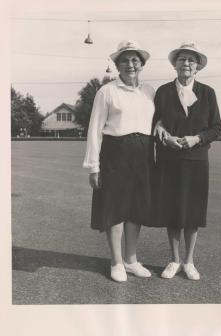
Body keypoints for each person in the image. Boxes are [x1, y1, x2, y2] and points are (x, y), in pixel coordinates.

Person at [83, 40, 155, 283]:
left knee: (136, 209)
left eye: (135, 60)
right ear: (117, 65)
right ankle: (116, 262)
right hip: (115, 153)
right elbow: (94, 130)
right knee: (115, 208)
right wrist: (94, 166)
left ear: (142, 64)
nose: (130, 64)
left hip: (143, 154)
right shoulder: (106, 92)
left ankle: (131, 260)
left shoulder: (149, 91)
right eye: (124, 60)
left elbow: (158, 122)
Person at [152, 41, 221, 280]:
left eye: (191, 60)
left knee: (192, 212)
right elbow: (154, 121)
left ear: (198, 67)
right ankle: (174, 260)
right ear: (175, 64)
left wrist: (197, 139)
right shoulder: (162, 92)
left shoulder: (208, 93)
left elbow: (216, 128)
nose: (186, 63)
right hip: (169, 159)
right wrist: (162, 132)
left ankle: (189, 261)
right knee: (172, 210)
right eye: (182, 59)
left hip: (196, 160)